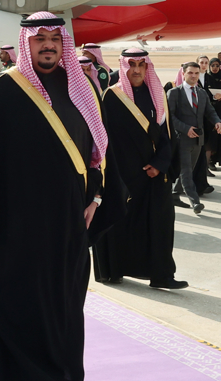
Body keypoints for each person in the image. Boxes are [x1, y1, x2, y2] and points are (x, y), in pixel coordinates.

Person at [0, 11, 110, 381]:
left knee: (63, 302)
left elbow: (96, 152)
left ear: (64, 44)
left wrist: (96, 195)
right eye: (40, 39)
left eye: (54, 39)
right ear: (27, 43)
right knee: (23, 303)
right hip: (17, 224)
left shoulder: (81, 89)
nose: (48, 46)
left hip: (68, 222)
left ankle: (60, 377)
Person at [93, 50, 186, 289]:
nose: (136, 70)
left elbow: (167, 136)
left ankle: (162, 275)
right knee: (118, 223)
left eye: (141, 65)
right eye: (132, 65)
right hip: (122, 174)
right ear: (124, 67)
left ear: (147, 67)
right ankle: (113, 271)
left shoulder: (158, 95)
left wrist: (160, 164)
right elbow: (104, 139)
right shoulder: (112, 97)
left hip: (154, 175)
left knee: (160, 223)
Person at [167, 62, 221, 214]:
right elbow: (170, 116)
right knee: (186, 171)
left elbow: (210, 111)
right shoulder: (174, 93)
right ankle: (195, 202)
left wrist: (217, 122)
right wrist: (186, 129)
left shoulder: (202, 93)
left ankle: (174, 194)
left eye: (196, 73)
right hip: (182, 139)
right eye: (190, 73)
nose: (194, 76)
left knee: (188, 169)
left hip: (198, 139)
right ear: (183, 73)